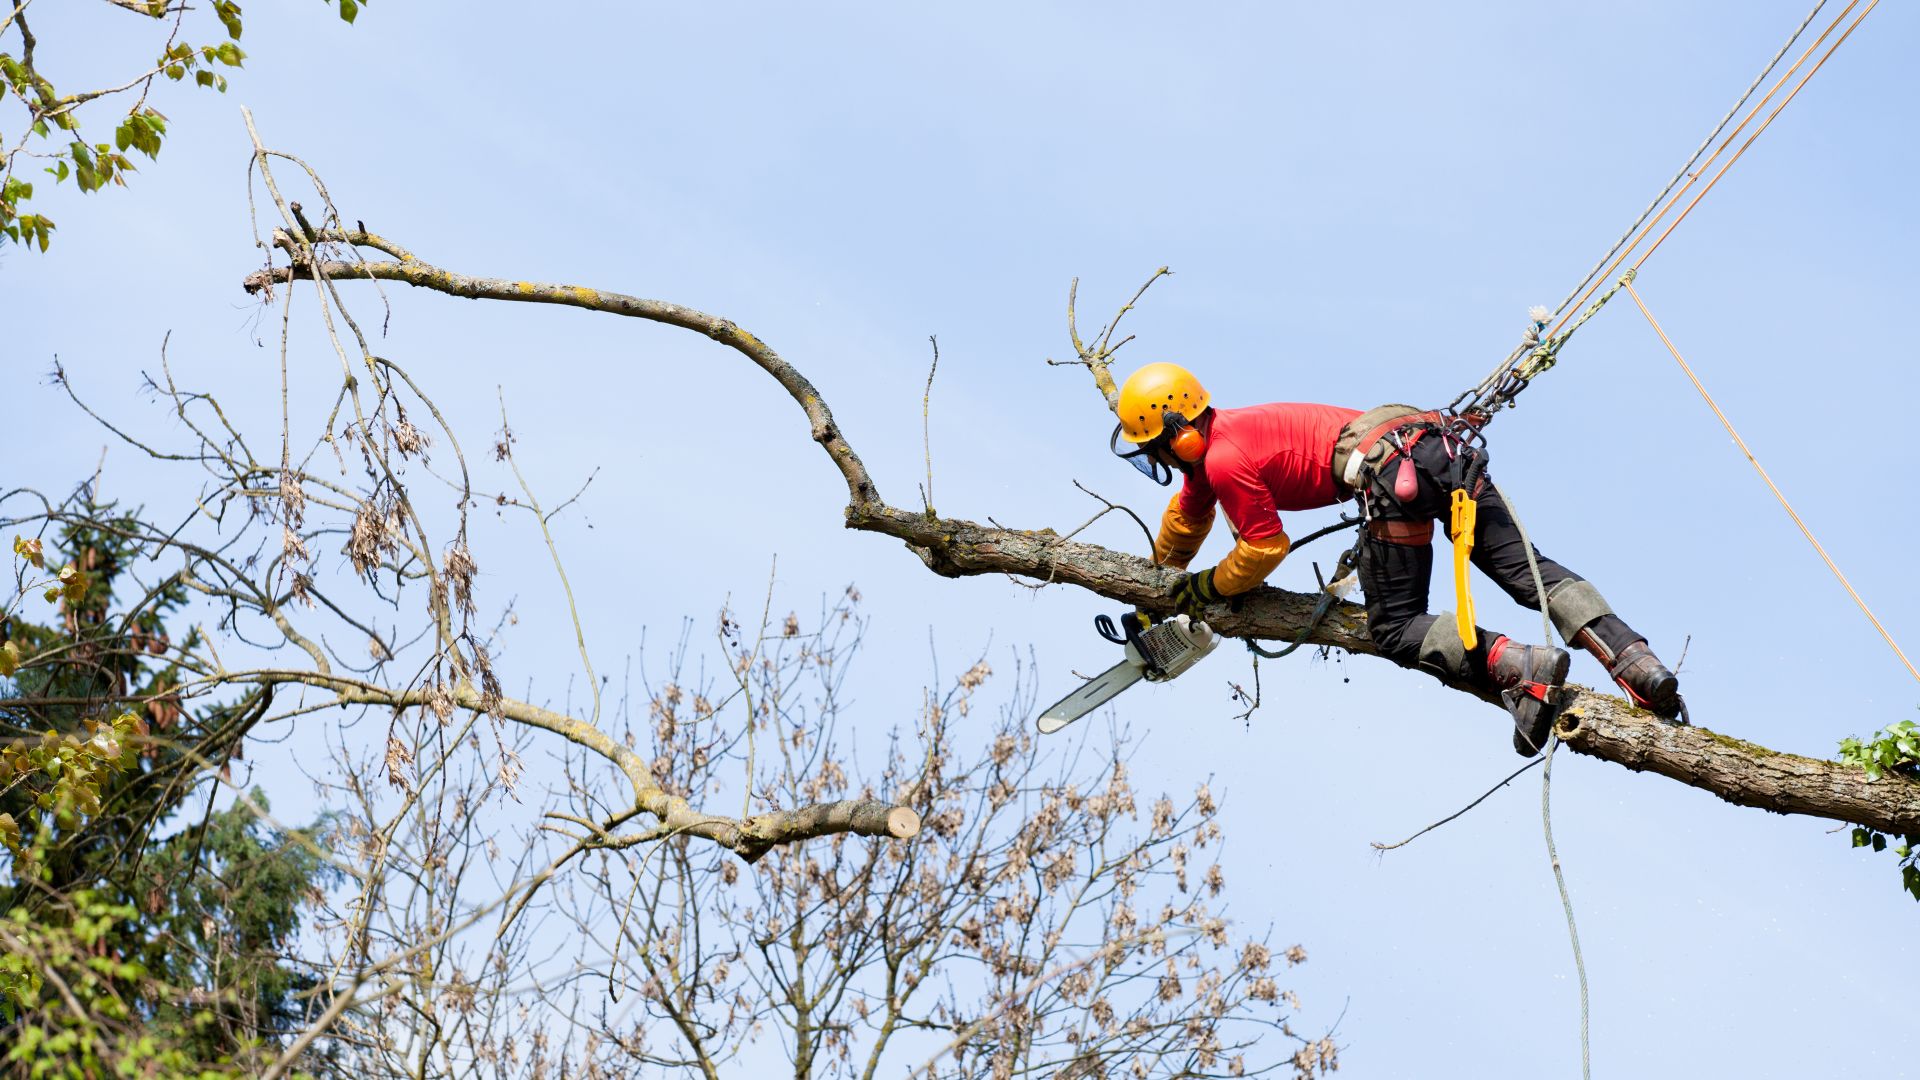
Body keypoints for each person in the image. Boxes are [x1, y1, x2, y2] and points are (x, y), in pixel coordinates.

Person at [1110, 361, 1682, 753]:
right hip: (1437, 451)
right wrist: (1157, 589)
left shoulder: (1224, 459)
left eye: (1155, 447)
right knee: (1527, 571)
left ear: (1178, 432)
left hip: (1392, 479)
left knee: (1396, 626)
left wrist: (1205, 588)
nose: (1160, 460)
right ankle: (1638, 663)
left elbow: (1263, 548)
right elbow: (1187, 520)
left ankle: (1522, 667)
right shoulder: (1224, 443)